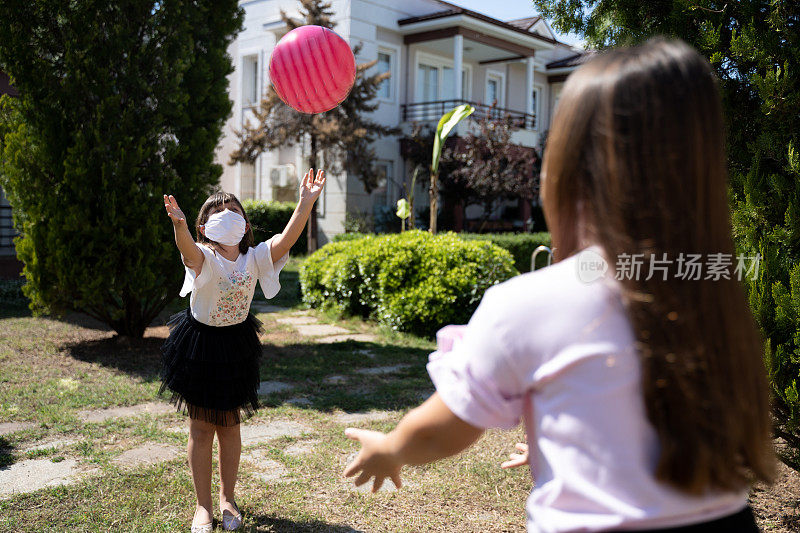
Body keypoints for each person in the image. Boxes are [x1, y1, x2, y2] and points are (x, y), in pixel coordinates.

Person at [343, 38, 775, 532]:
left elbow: (448, 426)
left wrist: (393, 446)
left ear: (568, 170)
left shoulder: (528, 304)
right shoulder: (709, 288)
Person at [161, 169, 326, 532]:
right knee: (201, 428)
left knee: (230, 426)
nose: (226, 214)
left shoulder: (255, 258)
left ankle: (227, 499)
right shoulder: (204, 256)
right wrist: (180, 226)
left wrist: (306, 202)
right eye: (216, 212)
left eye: (233, 209)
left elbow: (285, 240)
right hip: (199, 346)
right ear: (204, 228)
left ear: (246, 224)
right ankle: (203, 507)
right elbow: (187, 252)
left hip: (236, 347)